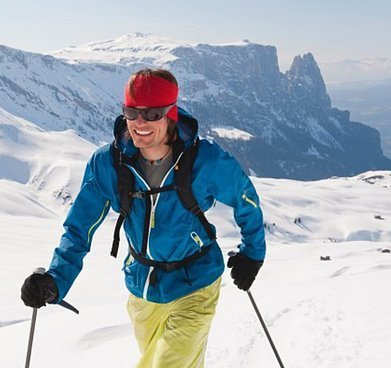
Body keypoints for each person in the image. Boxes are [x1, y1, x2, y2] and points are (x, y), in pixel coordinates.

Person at [21, 68, 266, 368]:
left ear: (170, 114)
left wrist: (253, 254)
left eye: (152, 114)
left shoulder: (206, 160)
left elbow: (246, 199)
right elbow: (79, 227)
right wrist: (56, 278)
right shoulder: (108, 164)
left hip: (195, 284)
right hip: (141, 287)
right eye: (132, 112)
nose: (140, 123)